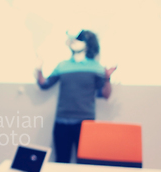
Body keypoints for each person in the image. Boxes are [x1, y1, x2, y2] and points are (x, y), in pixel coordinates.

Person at [35, 30, 116, 163]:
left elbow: (105, 94)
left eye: (80, 39)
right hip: (62, 121)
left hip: (86, 123)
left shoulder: (96, 67)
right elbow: (44, 85)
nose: (74, 41)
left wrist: (107, 78)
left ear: (88, 45)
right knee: (61, 161)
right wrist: (39, 68)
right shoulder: (62, 65)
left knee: (85, 163)